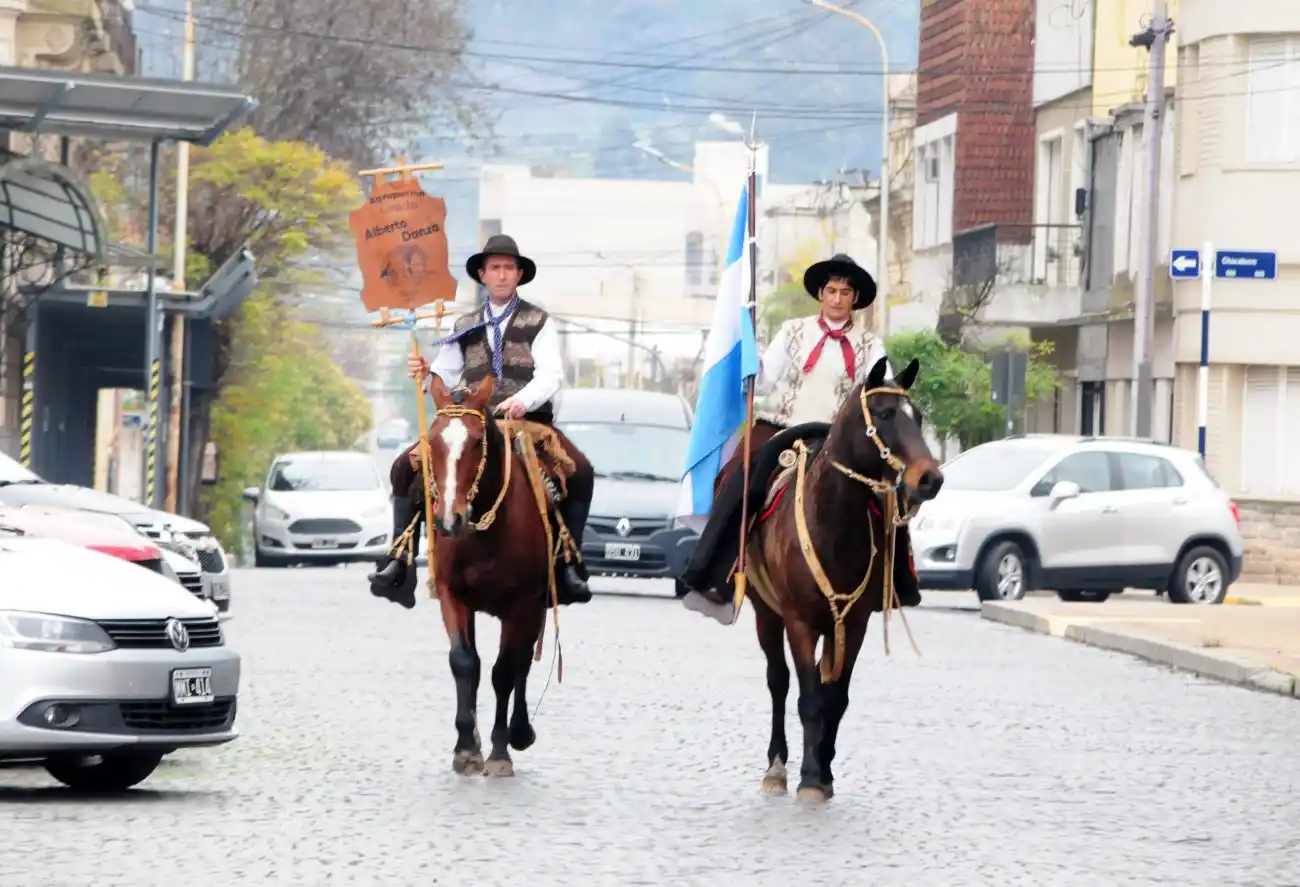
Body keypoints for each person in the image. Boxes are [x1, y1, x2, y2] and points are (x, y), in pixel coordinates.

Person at [678, 252, 921, 625]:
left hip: (841, 438)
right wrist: (747, 356)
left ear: (855, 298)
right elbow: (767, 377)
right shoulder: (793, 331)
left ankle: (897, 581)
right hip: (786, 428)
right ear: (820, 295)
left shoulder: (870, 344)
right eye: (831, 291)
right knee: (741, 477)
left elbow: (881, 392)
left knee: (892, 492)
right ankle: (715, 574)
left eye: (844, 292)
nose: (837, 299)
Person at [367, 233, 595, 609]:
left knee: (580, 471)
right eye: (495, 268)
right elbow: (446, 372)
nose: (502, 275)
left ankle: (568, 560)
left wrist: (521, 401)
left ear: (519, 275)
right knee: (402, 467)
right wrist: (425, 372)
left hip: (525, 422)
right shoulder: (464, 323)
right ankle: (400, 555)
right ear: (483, 276)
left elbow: (551, 374)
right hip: (469, 420)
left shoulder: (539, 321)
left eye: (509, 268)